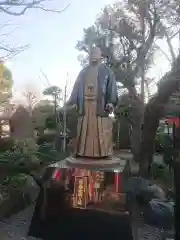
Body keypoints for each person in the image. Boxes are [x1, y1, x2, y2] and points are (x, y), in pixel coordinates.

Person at [68, 46, 118, 158]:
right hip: (85, 106)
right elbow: (76, 87)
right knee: (84, 129)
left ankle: (103, 153)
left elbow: (112, 87)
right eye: (92, 53)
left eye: (96, 53)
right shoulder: (83, 72)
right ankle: (82, 152)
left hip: (100, 105)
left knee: (101, 130)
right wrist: (73, 101)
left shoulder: (107, 71)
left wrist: (111, 102)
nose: (94, 55)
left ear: (100, 56)